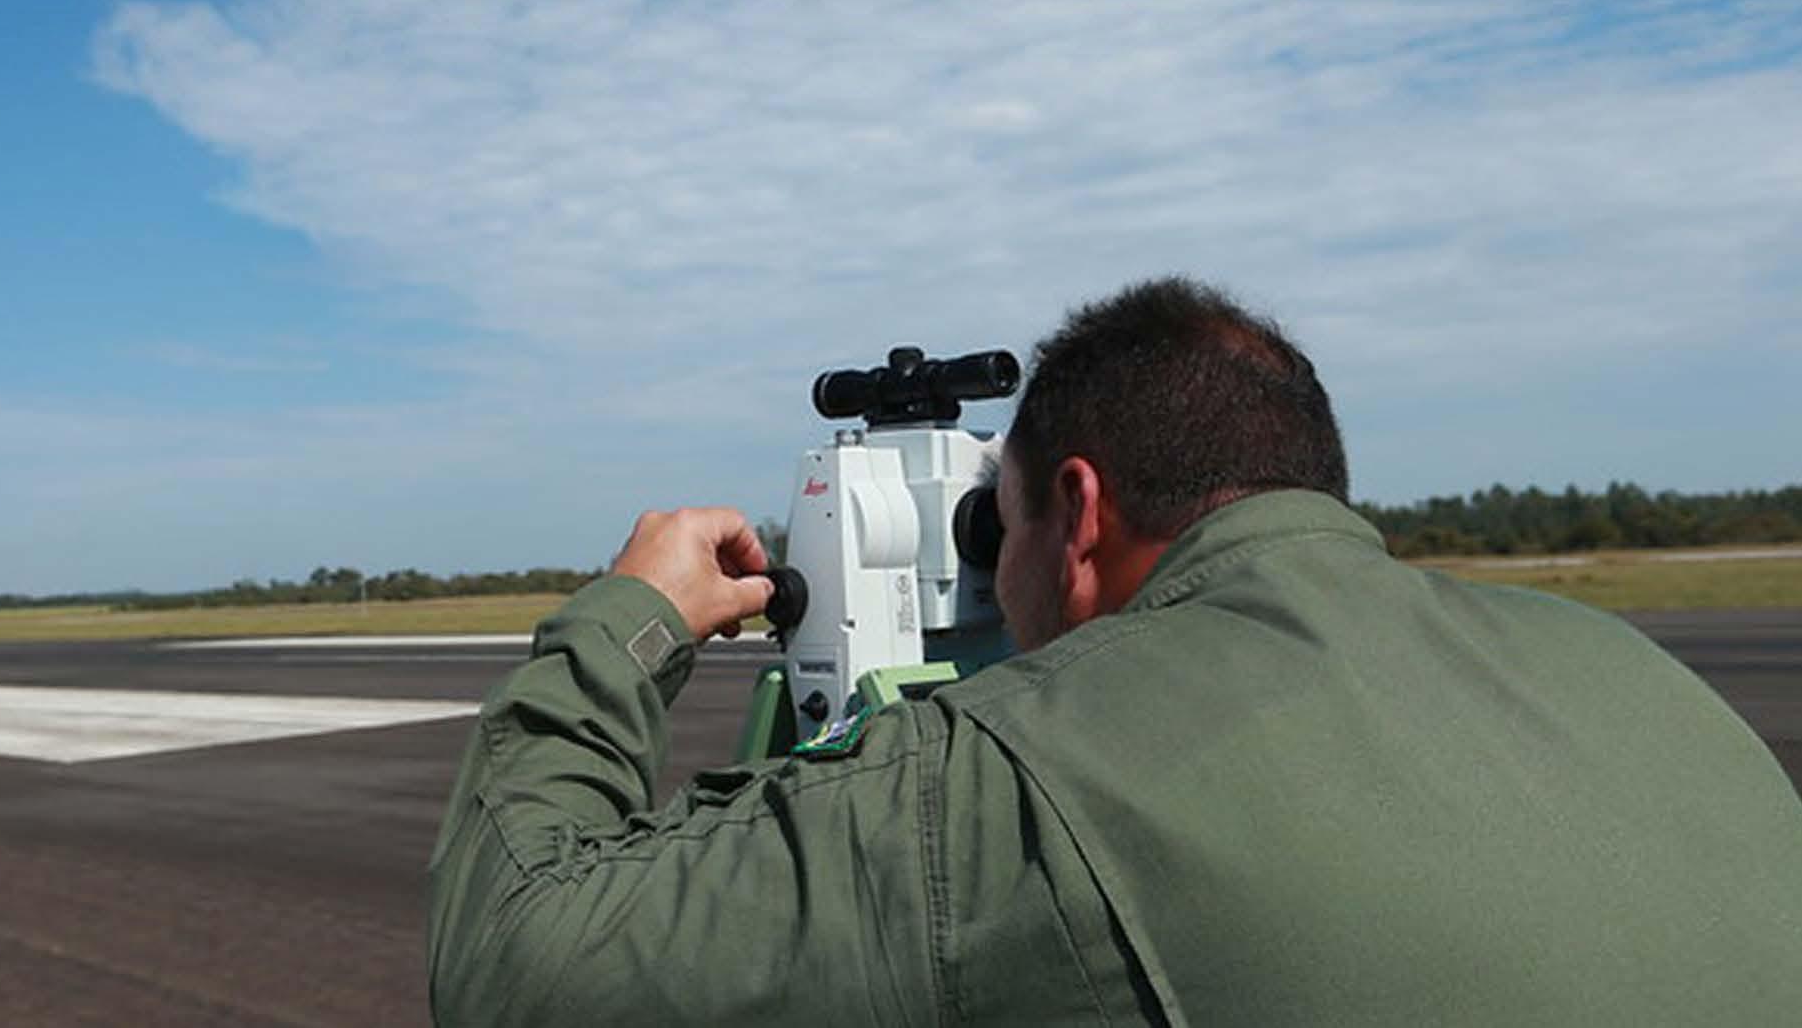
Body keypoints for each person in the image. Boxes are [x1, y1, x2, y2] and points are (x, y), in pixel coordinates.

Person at [427, 277, 1802, 1026]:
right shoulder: (1634, 675)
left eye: (1003, 522)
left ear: (1076, 513)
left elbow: (515, 961)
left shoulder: (1021, 774)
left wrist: (625, 617)